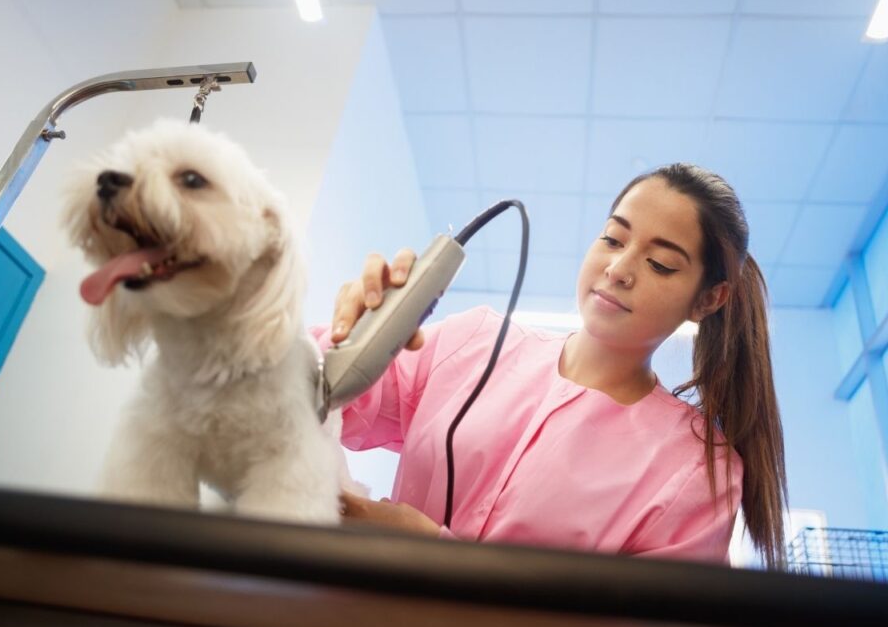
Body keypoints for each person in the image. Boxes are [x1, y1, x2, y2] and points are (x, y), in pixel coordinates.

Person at [314, 163, 788, 567]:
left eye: (660, 263)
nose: (619, 268)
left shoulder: (695, 470)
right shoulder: (472, 343)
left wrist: (431, 553)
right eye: (612, 238)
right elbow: (309, 402)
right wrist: (353, 336)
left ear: (709, 299)